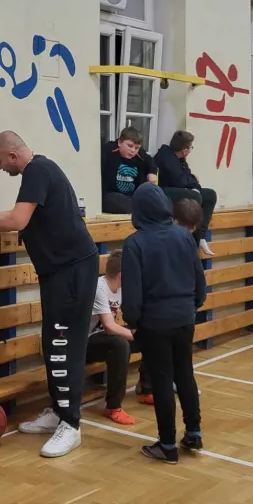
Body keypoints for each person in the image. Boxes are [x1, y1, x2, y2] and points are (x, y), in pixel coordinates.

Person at [0, 131, 99, 458]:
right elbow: (21, 213)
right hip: (60, 272)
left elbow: (18, 219)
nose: (0, 167)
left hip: (72, 270)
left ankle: (71, 424)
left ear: (12, 155)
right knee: (52, 343)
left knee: (64, 345)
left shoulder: (37, 171)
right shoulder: (39, 171)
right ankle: (59, 411)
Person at [121, 184, 206, 464]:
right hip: (184, 318)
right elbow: (199, 279)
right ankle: (193, 433)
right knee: (185, 375)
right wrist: (191, 306)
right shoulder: (183, 235)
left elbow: (132, 292)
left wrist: (132, 321)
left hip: (154, 323)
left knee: (162, 382)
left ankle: (167, 444)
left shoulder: (134, 243)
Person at [134, 197, 204, 405]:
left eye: (191, 229)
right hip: (155, 310)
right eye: (185, 227)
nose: (188, 232)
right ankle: (148, 385)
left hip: (179, 310)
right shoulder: (153, 240)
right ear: (174, 220)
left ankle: (168, 382)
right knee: (157, 353)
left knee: (178, 359)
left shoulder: (185, 240)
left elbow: (197, 276)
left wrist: (193, 303)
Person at [85, 250, 137, 426]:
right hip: (84, 343)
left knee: (151, 336)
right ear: (121, 275)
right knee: (121, 345)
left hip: (103, 338)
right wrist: (139, 336)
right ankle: (113, 406)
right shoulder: (99, 287)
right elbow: (109, 326)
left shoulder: (121, 289)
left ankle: (147, 389)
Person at [153, 129, 218, 256]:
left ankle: (200, 236)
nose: (190, 150)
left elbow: (188, 178)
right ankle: (189, 236)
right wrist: (193, 182)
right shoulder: (165, 157)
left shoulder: (181, 160)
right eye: (190, 147)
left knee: (210, 195)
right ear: (184, 149)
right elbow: (180, 181)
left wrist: (195, 185)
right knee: (194, 196)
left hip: (180, 189)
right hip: (164, 192)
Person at [101, 126, 158, 214]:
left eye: (137, 148)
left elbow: (150, 161)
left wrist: (152, 172)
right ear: (120, 142)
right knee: (121, 201)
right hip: (111, 194)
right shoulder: (108, 150)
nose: (133, 150)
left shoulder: (140, 154)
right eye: (130, 146)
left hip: (132, 195)